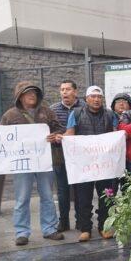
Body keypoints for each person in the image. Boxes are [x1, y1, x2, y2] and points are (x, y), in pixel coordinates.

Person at [1, 82, 66, 246]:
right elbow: (0, 139)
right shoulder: (9, 115)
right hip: (22, 165)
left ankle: (50, 229)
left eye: (34, 93)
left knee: (48, 196)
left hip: (44, 162)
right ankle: (21, 232)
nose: (32, 95)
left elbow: (60, 130)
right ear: (20, 96)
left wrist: (55, 135)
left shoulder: (47, 112)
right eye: (28, 93)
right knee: (21, 199)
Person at [63, 85, 119, 242]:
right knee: (83, 197)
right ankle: (85, 228)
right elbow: (70, 133)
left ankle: (104, 227)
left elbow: (116, 134)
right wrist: (63, 138)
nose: (96, 99)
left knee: (106, 197)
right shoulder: (76, 113)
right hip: (84, 164)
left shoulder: (110, 114)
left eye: (99, 97)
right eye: (93, 96)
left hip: (105, 164)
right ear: (86, 99)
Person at [49, 80, 82, 232]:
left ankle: (81, 221)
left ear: (75, 91)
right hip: (60, 155)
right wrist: (55, 137)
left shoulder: (84, 108)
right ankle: (63, 222)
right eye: (62, 89)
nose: (64, 92)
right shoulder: (53, 109)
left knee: (81, 190)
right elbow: (48, 131)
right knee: (62, 191)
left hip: (81, 157)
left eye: (68, 89)